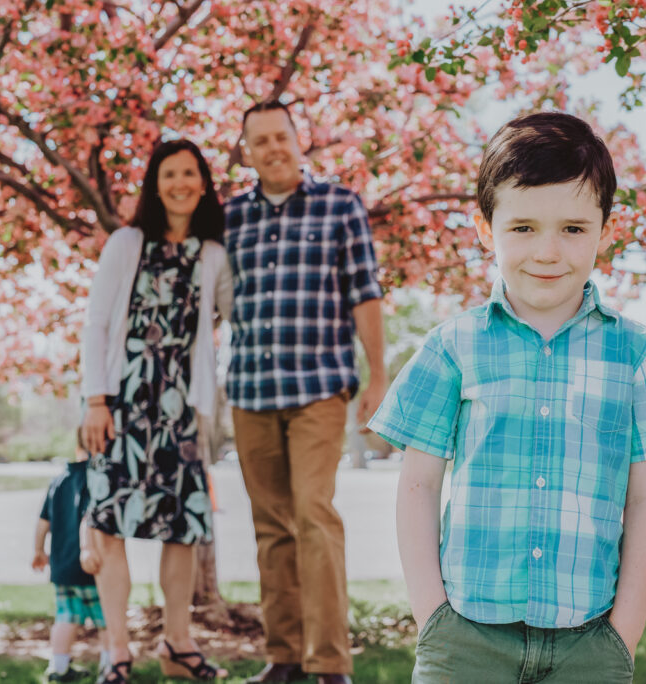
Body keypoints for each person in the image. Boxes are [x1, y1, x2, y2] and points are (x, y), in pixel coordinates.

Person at [368, 111, 646, 683]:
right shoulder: (451, 347)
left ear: (606, 229)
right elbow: (417, 485)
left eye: (574, 228)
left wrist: (622, 637)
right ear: (487, 230)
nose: (548, 252)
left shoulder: (640, 356)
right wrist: (432, 616)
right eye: (523, 227)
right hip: (465, 637)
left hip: (591, 641)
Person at [225, 100, 386, 684]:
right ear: (247, 151)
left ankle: (330, 664)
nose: (273, 148)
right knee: (271, 529)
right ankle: (284, 658)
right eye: (260, 140)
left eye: (281, 136)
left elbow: (365, 293)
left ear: (301, 140)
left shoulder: (340, 204)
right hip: (249, 389)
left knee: (314, 515)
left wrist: (377, 377)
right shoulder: (230, 216)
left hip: (319, 385)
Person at [80, 138, 232, 683]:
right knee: (112, 525)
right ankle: (116, 651)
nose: (181, 183)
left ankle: (178, 643)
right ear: (155, 182)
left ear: (204, 182)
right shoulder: (127, 242)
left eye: (190, 173)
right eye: (170, 173)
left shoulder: (213, 252)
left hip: (180, 410)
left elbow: (236, 313)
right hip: (122, 403)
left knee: (182, 528)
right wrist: (95, 400)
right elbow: (96, 324)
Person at [31, 440, 108, 683]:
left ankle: (59, 667)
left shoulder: (58, 480)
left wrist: (38, 550)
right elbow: (90, 517)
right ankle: (110, 668)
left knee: (66, 617)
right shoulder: (95, 479)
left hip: (62, 566)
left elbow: (43, 522)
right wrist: (88, 549)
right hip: (91, 565)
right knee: (106, 620)